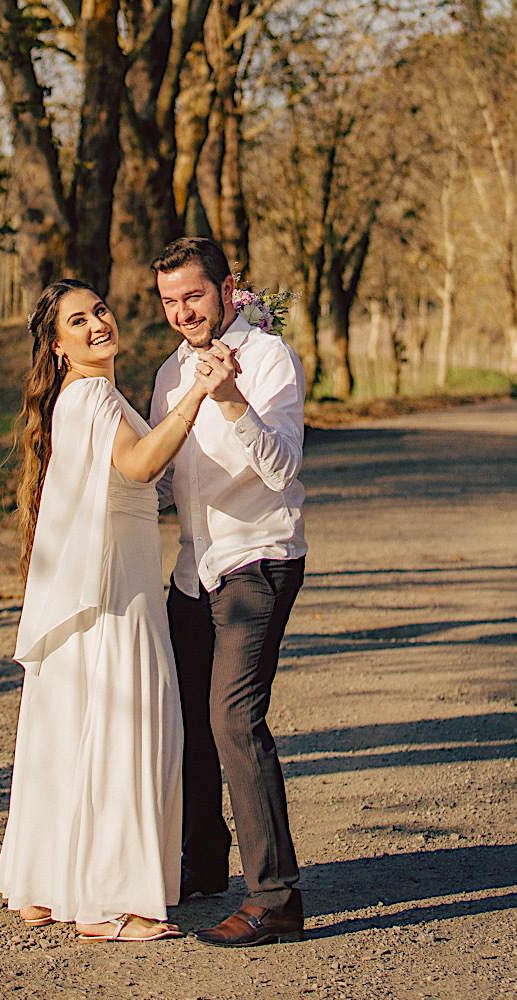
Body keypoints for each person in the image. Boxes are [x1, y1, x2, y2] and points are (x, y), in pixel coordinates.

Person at [0, 278, 209, 942]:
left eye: (100, 311)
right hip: (117, 596)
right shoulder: (90, 395)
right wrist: (199, 392)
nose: (96, 325)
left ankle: (44, 888)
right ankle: (116, 902)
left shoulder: (80, 398)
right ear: (59, 347)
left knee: (69, 735)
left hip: (90, 589)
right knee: (128, 730)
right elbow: (142, 466)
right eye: (77, 321)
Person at [149, 237, 307, 948]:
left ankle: (275, 897)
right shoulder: (166, 373)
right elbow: (160, 479)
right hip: (193, 568)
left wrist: (229, 396)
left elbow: (280, 470)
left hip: (258, 561)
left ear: (226, 288)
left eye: (195, 295)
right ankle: (203, 864)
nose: (184, 311)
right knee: (186, 721)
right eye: (170, 301)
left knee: (232, 720)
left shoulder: (269, 359)